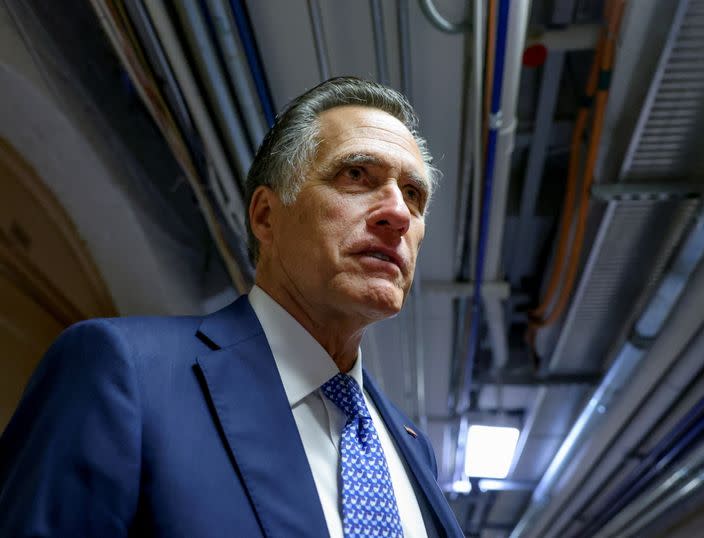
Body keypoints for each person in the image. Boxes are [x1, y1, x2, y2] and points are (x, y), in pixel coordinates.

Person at [0, 77, 463, 537]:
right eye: (356, 175)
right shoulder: (123, 372)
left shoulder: (409, 445)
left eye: (414, 195)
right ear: (266, 216)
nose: (399, 213)